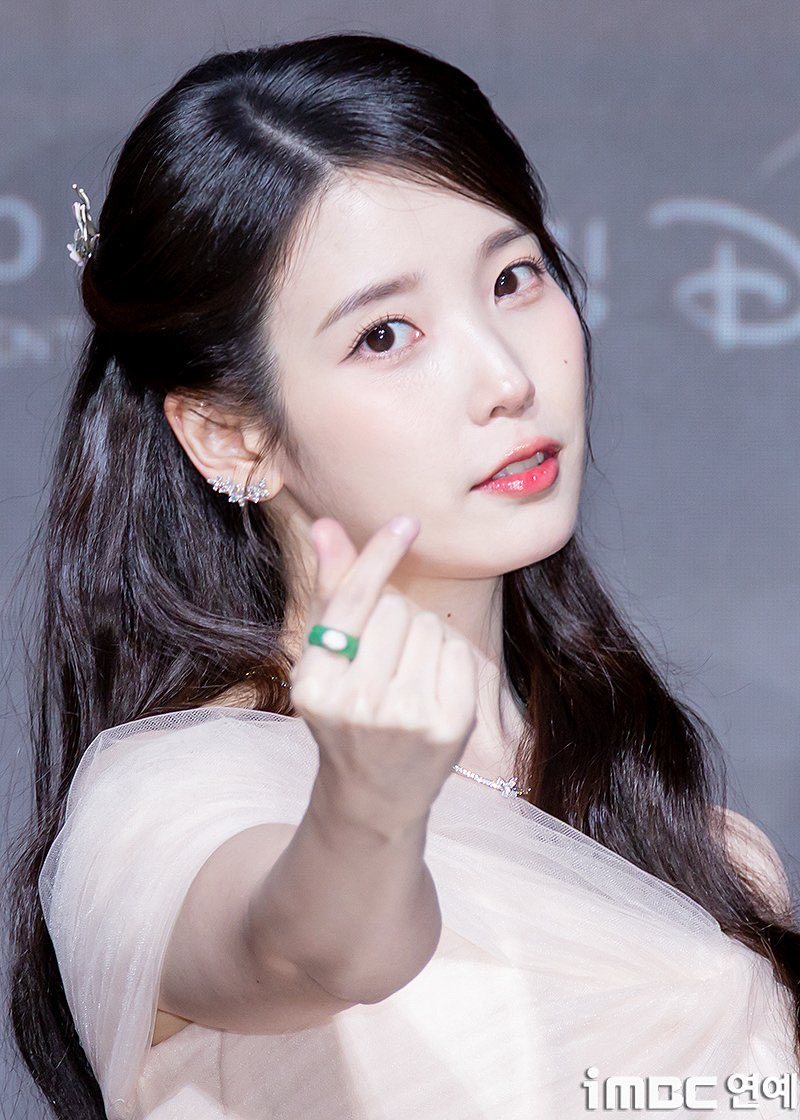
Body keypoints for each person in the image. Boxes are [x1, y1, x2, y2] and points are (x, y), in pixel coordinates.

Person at [5, 32, 799, 1120]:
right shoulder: (170, 802)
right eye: (385, 335)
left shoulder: (710, 856)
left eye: (513, 278)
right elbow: (308, 947)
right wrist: (367, 810)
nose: (505, 377)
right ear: (231, 433)